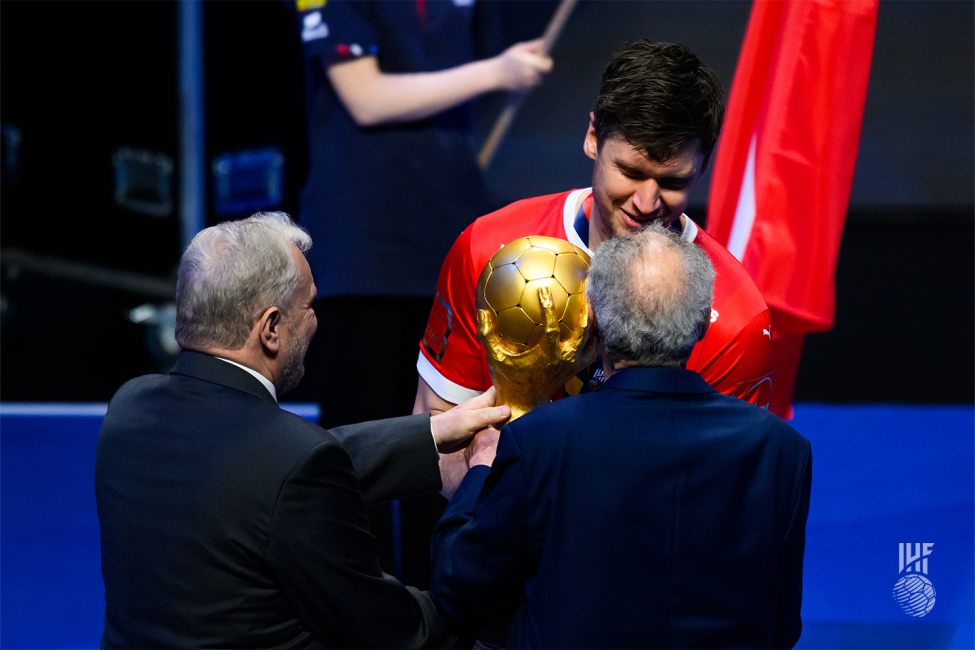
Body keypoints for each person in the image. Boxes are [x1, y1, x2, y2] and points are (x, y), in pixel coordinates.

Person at [94, 212, 509, 649]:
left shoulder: (128, 408)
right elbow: (403, 634)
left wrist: (430, 433)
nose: (314, 322)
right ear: (271, 328)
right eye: (309, 305)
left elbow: (266, 471)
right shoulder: (292, 464)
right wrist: (481, 476)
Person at [429, 225, 812, 649]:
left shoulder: (538, 441)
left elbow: (459, 591)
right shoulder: (783, 451)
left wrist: (481, 471)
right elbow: (782, 627)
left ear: (593, 322)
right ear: (703, 321)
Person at [288, 0, 553, 585]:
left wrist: (508, 77)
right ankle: (362, 618)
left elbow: (478, 81)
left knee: (454, 447)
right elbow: (365, 96)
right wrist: (498, 72)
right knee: (362, 455)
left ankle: (444, 612)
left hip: (454, 241)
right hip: (366, 251)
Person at [416, 41, 773, 439]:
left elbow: (725, 486)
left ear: (703, 168)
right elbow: (436, 426)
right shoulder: (486, 248)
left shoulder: (736, 318)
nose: (646, 202)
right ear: (592, 138)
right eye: (630, 172)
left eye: (673, 182)